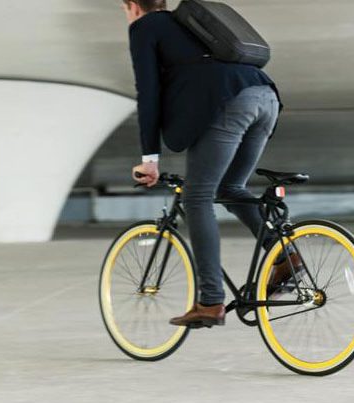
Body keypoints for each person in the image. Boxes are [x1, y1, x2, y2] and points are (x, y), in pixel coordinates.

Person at [122, 0, 301, 328]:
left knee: (197, 197)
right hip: (264, 95)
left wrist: (149, 160)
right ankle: (285, 255)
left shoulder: (145, 26)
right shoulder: (189, 23)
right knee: (230, 188)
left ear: (132, 6)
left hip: (229, 101)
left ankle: (210, 301)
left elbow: (147, 92)